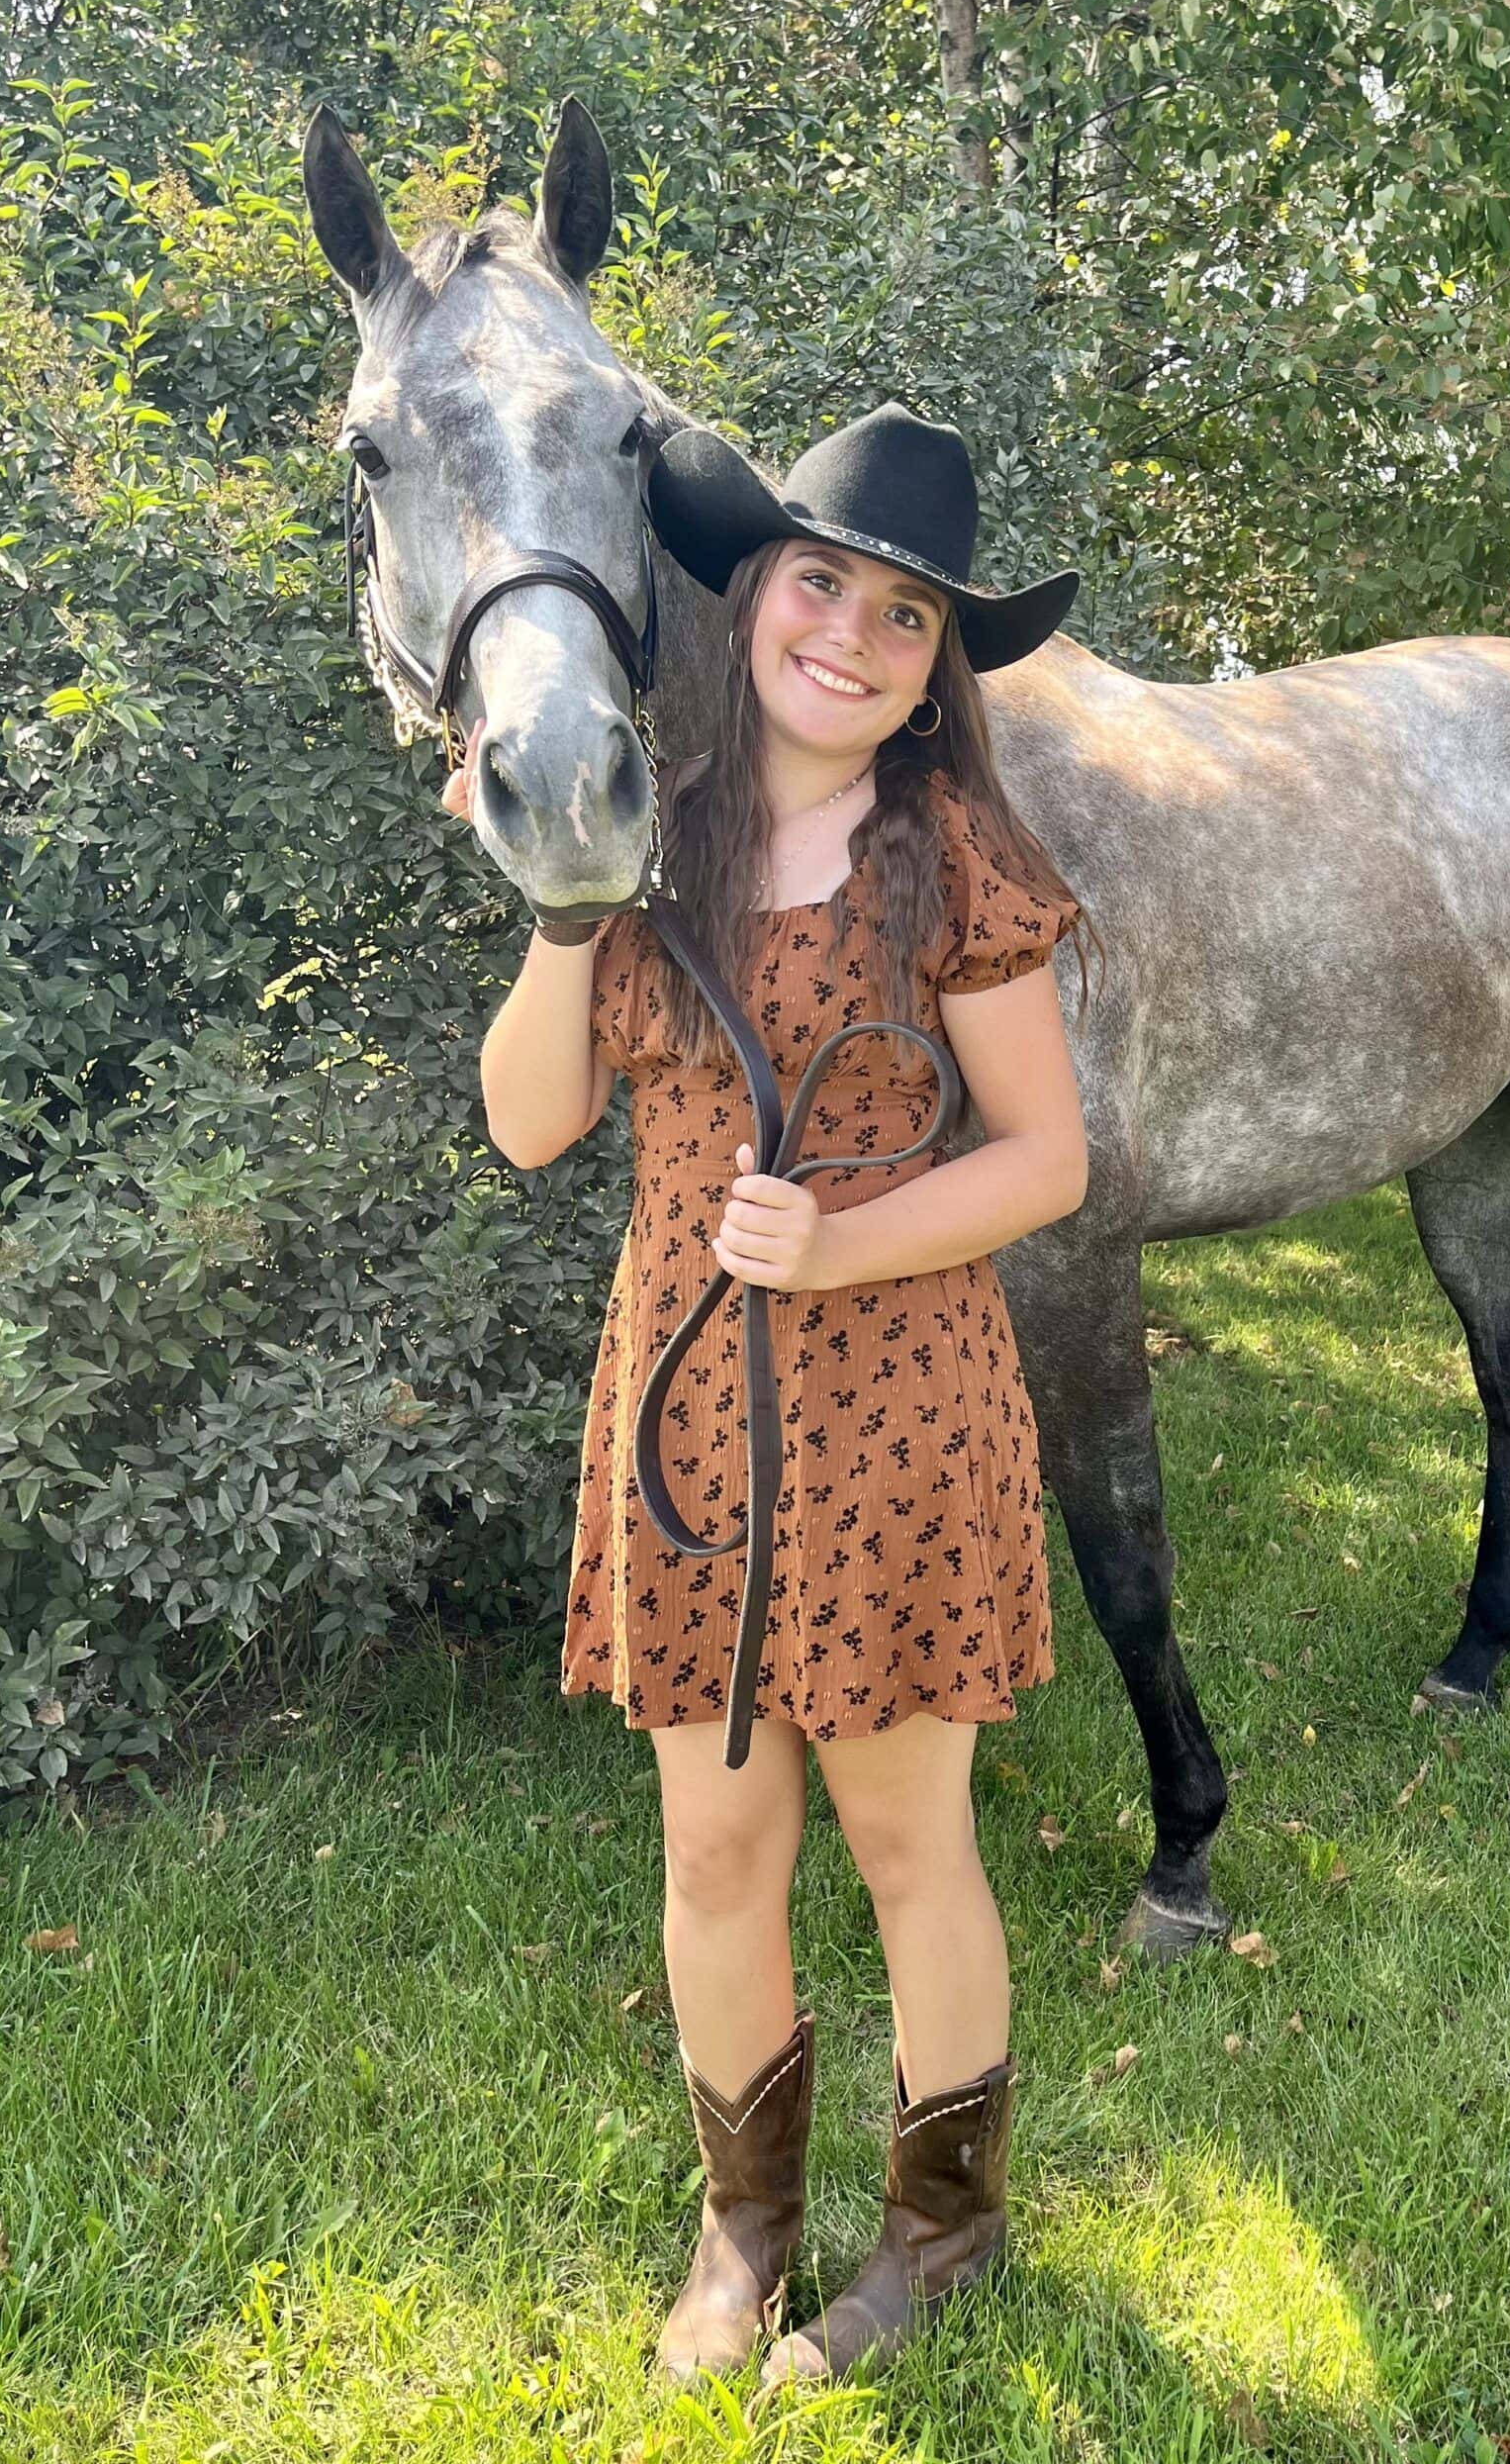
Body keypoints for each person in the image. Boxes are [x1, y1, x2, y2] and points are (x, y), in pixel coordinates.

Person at [468, 400, 1099, 2397]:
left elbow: (1048, 1157)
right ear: (750, 597)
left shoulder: (954, 856)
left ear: (934, 671)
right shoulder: (642, 827)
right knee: (715, 1851)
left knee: (910, 1842)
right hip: (684, 1421)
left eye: (907, 617)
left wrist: (837, 1243)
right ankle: (742, 2230)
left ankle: (943, 2230)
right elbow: (532, 1122)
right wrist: (568, 907)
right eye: (821, 583)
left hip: (901, 1408)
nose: (854, 634)